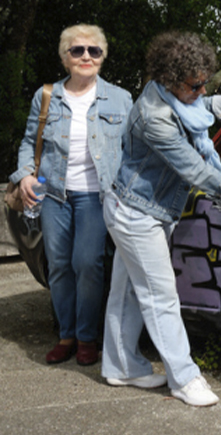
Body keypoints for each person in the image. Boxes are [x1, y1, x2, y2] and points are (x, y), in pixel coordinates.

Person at [101, 31, 221, 406]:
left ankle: (120, 366)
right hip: (137, 214)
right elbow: (200, 173)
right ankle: (184, 378)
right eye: (196, 85)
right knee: (161, 296)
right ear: (170, 80)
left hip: (144, 207)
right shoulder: (154, 116)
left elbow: (200, 108)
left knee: (126, 293)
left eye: (206, 82)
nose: (203, 90)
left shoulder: (175, 94)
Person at [9, 25, 133, 366]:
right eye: (77, 50)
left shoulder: (120, 98)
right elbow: (28, 141)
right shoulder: (47, 95)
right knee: (60, 265)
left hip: (97, 195)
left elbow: (133, 148)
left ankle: (87, 338)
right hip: (53, 194)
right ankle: (66, 336)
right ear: (65, 57)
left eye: (94, 51)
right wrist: (23, 176)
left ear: (103, 57)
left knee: (88, 264)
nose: (86, 57)